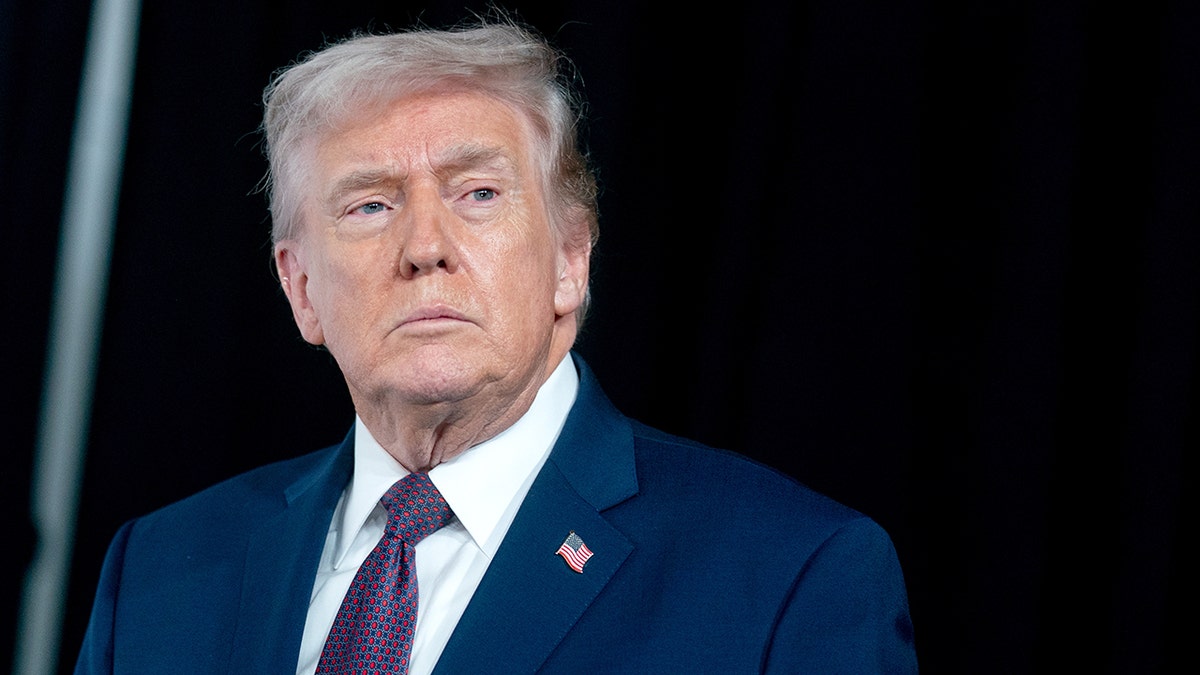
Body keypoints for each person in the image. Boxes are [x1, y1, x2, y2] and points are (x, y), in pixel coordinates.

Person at [74, 16, 917, 674]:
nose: (424, 245)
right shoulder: (158, 572)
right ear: (302, 290)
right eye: (369, 205)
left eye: (477, 193)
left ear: (569, 260)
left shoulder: (787, 575)